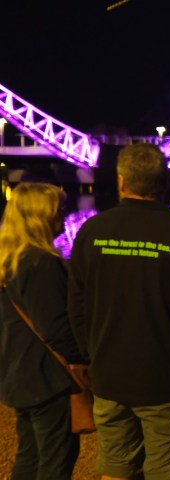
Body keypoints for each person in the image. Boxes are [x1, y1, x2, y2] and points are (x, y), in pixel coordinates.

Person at [68, 143, 170, 480]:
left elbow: (75, 306)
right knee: (168, 470)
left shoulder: (91, 232)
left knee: (115, 467)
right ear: (164, 182)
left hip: (109, 376)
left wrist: (92, 355)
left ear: (121, 182)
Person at [0, 183, 82, 480]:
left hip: (17, 374)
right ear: (39, 216)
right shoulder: (42, 263)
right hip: (47, 378)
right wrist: (85, 357)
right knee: (56, 459)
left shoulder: (8, 260)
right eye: (57, 209)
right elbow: (55, 328)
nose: (64, 214)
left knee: (29, 455)